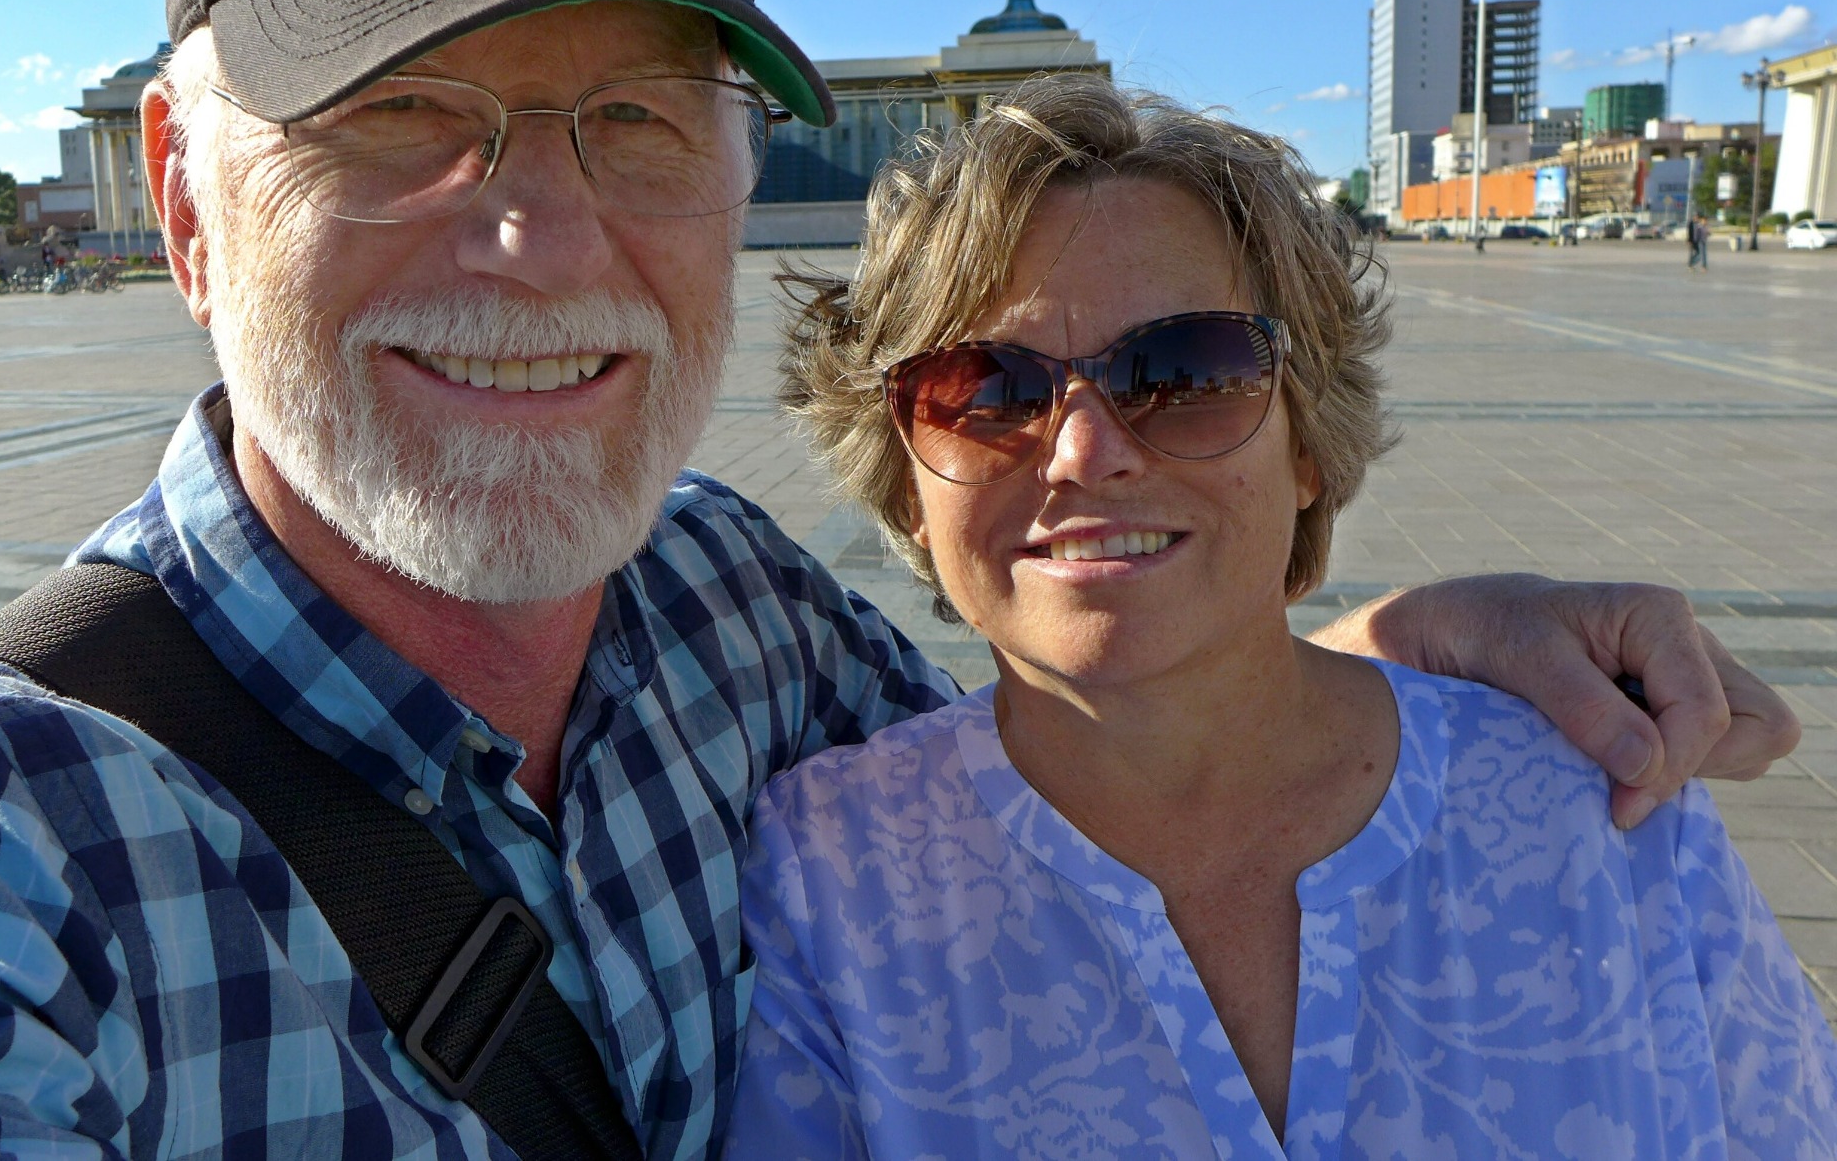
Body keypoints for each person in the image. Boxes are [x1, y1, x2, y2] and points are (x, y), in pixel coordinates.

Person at [0, 0, 1799, 1158]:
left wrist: (1403, 651)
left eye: (634, 119)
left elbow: (1097, 743)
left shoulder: (727, 616)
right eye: (401, 116)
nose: (541, 236)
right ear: (183, 195)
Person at [725, 77, 1836, 1158]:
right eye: (983, 391)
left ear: (1307, 445)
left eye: (1186, 371)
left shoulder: (1608, 812)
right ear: (906, 493)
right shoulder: (829, 878)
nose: (1083, 454)